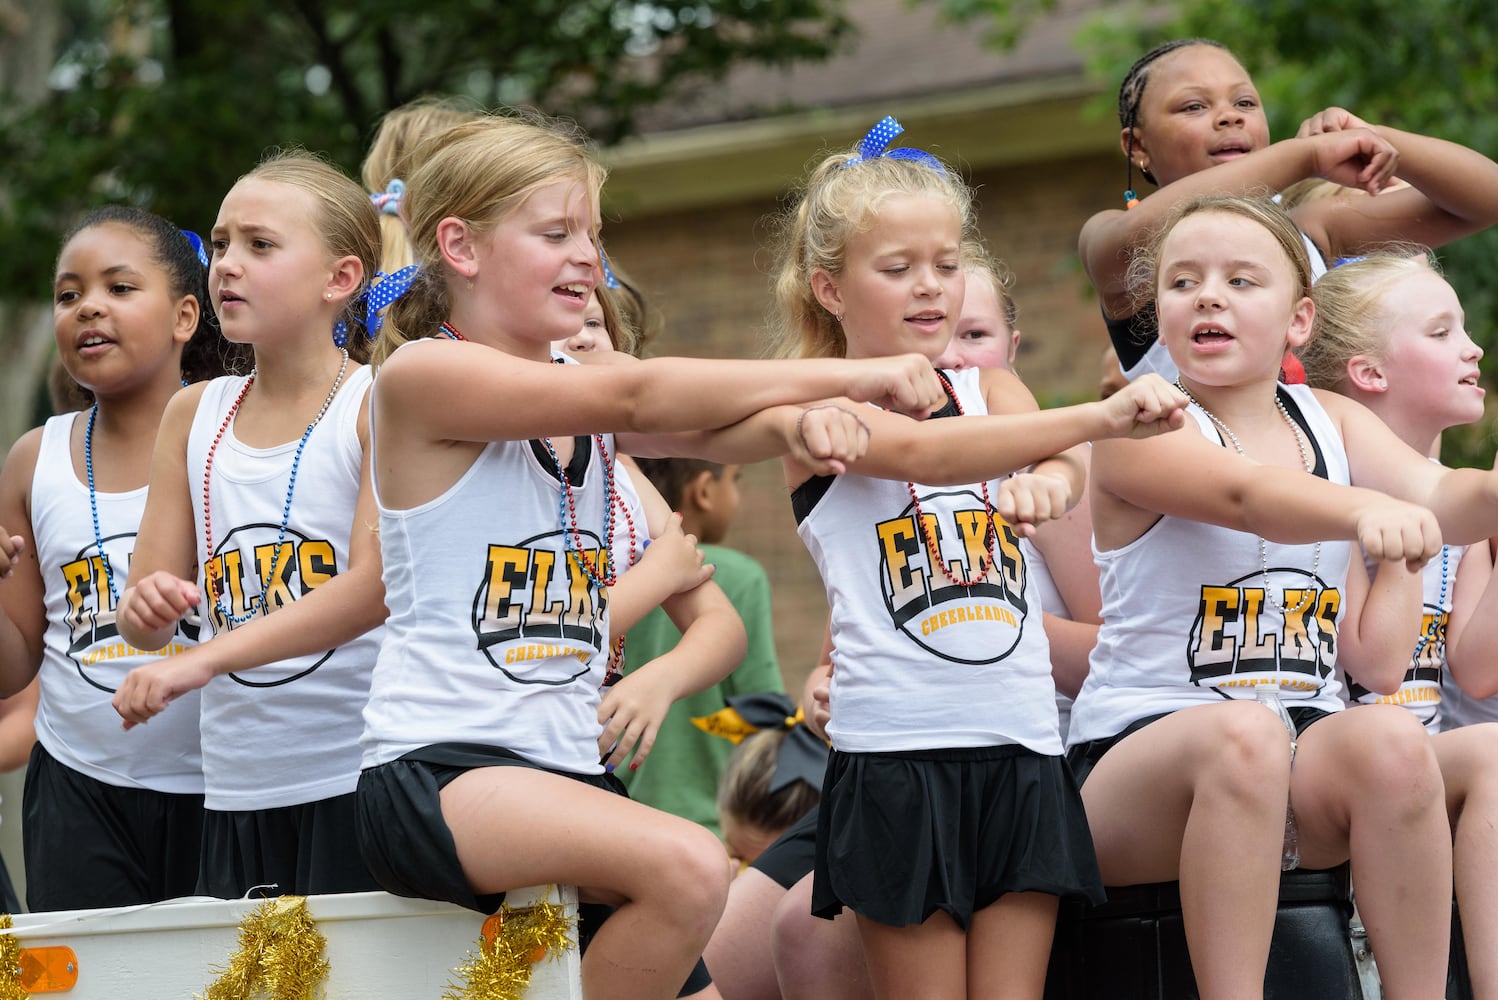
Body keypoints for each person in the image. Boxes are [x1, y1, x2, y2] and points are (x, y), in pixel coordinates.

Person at [352, 110, 957, 1000]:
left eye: (593, 236)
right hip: (442, 772)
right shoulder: (420, 377)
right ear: (460, 246)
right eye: (556, 233)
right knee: (688, 863)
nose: (587, 259)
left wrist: (804, 423)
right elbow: (638, 390)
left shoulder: (574, 403)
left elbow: (728, 429)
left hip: (566, 781)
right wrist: (849, 375)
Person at [748, 116, 1184, 1000]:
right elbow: (930, 458)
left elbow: (1041, 455)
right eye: (898, 269)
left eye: (947, 265)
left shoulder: (994, 388)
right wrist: (1095, 422)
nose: (930, 288)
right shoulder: (815, 405)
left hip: (1021, 744)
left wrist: (1056, 480)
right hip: (900, 757)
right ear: (830, 290)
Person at [1066, 193, 1498, 999]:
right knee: (1246, 734)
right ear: (1158, 316)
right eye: (1183, 282)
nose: (1208, 297)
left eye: (1240, 280)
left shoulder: (1329, 417)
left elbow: (1440, 494)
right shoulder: (1138, 431)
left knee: (1393, 741)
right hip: (1137, 764)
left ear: (1299, 322)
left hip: (1301, 747)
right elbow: (1247, 498)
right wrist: (1373, 507)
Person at [112, 152, 398, 899]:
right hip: (236, 786)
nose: (227, 264)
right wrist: (146, 610)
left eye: (261, 245)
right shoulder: (193, 413)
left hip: (357, 776)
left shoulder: (377, 403)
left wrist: (198, 660)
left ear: (341, 279)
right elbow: (145, 616)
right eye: (223, 242)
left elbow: (374, 589)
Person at [0, 207, 246, 911]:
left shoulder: (236, 443)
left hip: (223, 787)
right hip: (78, 788)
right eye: (68, 294)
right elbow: (14, 667)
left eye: (120, 288)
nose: (89, 309)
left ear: (185, 316)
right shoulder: (32, 460)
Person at [1297, 250, 1498, 997]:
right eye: (1442, 332)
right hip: (1343, 761)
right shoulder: (1327, 498)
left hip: (1430, 764)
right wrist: (1408, 539)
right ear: (1368, 373)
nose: (1473, 347)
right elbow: (1372, 668)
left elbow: (1474, 672)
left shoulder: (1471, 528)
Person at [1081, 37, 1498, 383]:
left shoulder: (1310, 229)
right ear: (1137, 146)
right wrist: (1305, 156)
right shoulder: (1111, 238)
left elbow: (1485, 201)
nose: (1229, 117)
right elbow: (1138, 233)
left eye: (1245, 103)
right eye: (1194, 106)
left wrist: (1373, 139)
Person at [619, 458, 784, 837]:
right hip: (713, 827)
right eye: (734, 480)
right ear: (705, 490)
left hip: (616, 816)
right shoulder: (738, 576)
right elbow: (763, 712)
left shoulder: (617, 571)